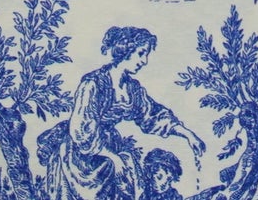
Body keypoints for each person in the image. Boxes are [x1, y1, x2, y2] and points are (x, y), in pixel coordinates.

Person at [37, 26, 204, 199]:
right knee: (114, 166)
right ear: (125, 50)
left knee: (130, 169)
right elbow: (81, 130)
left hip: (108, 145)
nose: (144, 60)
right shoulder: (93, 83)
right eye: (141, 53)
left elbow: (153, 115)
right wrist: (112, 156)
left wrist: (188, 134)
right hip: (81, 155)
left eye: (146, 54)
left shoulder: (132, 88)